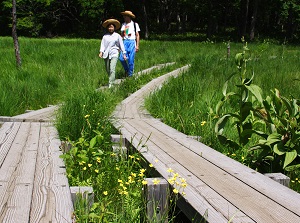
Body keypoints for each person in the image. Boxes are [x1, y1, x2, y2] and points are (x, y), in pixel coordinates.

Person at [99, 19, 127, 88]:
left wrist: (124, 54)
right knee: (108, 69)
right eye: (109, 27)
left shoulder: (117, 36)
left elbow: (121, 45)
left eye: (112, 27)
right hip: (106, 54)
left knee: (112, 69)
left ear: (114, 28)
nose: (110, 28)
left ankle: (111, 83)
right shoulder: (105, 36)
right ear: (107, 28)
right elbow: (102, 45)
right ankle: (111, 79)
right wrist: (101, 52)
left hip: (114, 53)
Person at [119, 11, 140, 77]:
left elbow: (137, 35)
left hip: (132, 42)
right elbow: (122, 35)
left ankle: (130, 75)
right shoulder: (123, 25)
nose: (124, 17)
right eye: (124, 16)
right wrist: (119, 45)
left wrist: (137, 46)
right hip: (125, 42)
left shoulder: (134, 24)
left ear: (129, 17)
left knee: (131, 60)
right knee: (121, 58)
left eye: (125, 16)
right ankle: (127, 70)